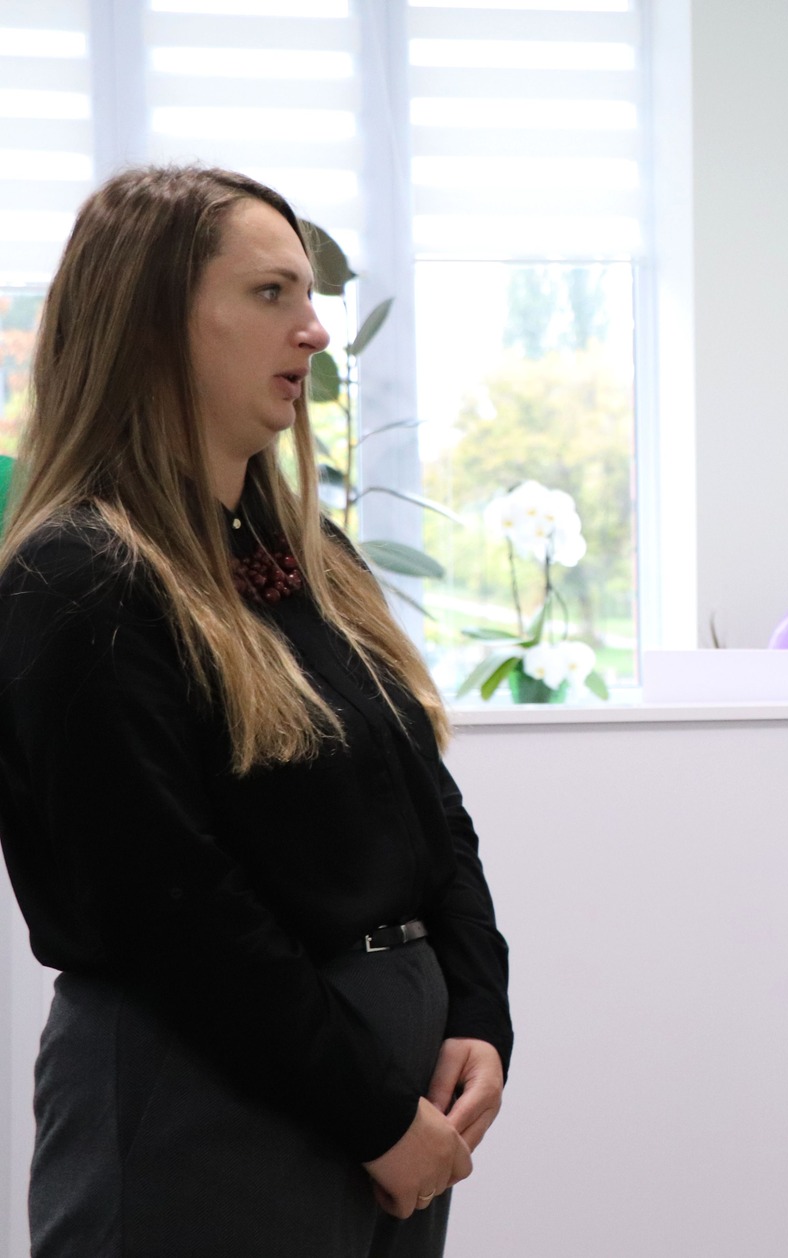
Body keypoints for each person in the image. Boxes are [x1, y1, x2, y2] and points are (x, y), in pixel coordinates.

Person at [0, 166, 513, 1256]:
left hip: (384, 1102)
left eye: (309, 295)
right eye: (272, 294)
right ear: (152, 324)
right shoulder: (78, 579)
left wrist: (477, 1009)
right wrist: (373, 1116)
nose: (315, 330)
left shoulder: (310, 558)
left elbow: (429, 810)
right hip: (214, 1103)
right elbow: (170, 904)